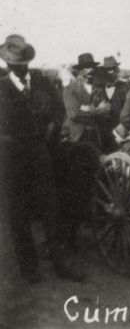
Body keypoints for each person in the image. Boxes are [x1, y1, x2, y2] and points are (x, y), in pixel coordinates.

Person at [0, 34, 85, 282]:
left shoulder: (41, 81)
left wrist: (54, 125)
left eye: (23, 62)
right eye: (14, 64)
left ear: (28, 61)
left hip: (40, 152)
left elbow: (59, 109)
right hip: (11, 157)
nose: (19, 67)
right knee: (18, 213)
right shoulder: (1, 87)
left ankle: (61, 264)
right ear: (8, 65)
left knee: (51, 208)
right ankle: (30, 269)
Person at [63, 52, 110, 151]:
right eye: (86, 67)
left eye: (92, 67)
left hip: (96, 136)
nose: (90, 70)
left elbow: (107, 110)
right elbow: (74, 114)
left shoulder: (99, 88)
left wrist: (87, 109)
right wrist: (97, 110)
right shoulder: (70, 89)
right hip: (77, 136)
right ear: (80, 70)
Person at [90, 56, 130, 153]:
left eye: (113, 69)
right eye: (108, 70)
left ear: (117, 70)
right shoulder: (98, 89)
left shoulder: (125, 87)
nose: (111, 72)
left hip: (121, 132)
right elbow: (92, 108)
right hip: (103, 131)